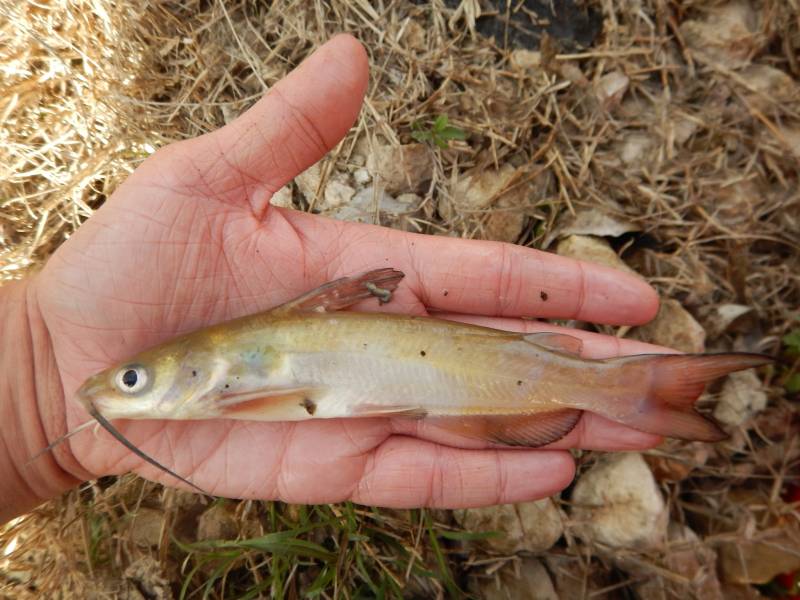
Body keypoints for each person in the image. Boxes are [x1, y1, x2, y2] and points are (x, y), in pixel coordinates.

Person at [0, 35, 664, 524]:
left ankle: (620, 388)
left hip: (444, 376)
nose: (119, 389)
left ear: (198, 366)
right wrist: (32, 404)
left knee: (530, 402)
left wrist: (31, 390)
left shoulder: (232, 356)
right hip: (430, 377)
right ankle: (620, 389)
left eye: (133, 378)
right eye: (131, 379)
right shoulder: (223, 361)